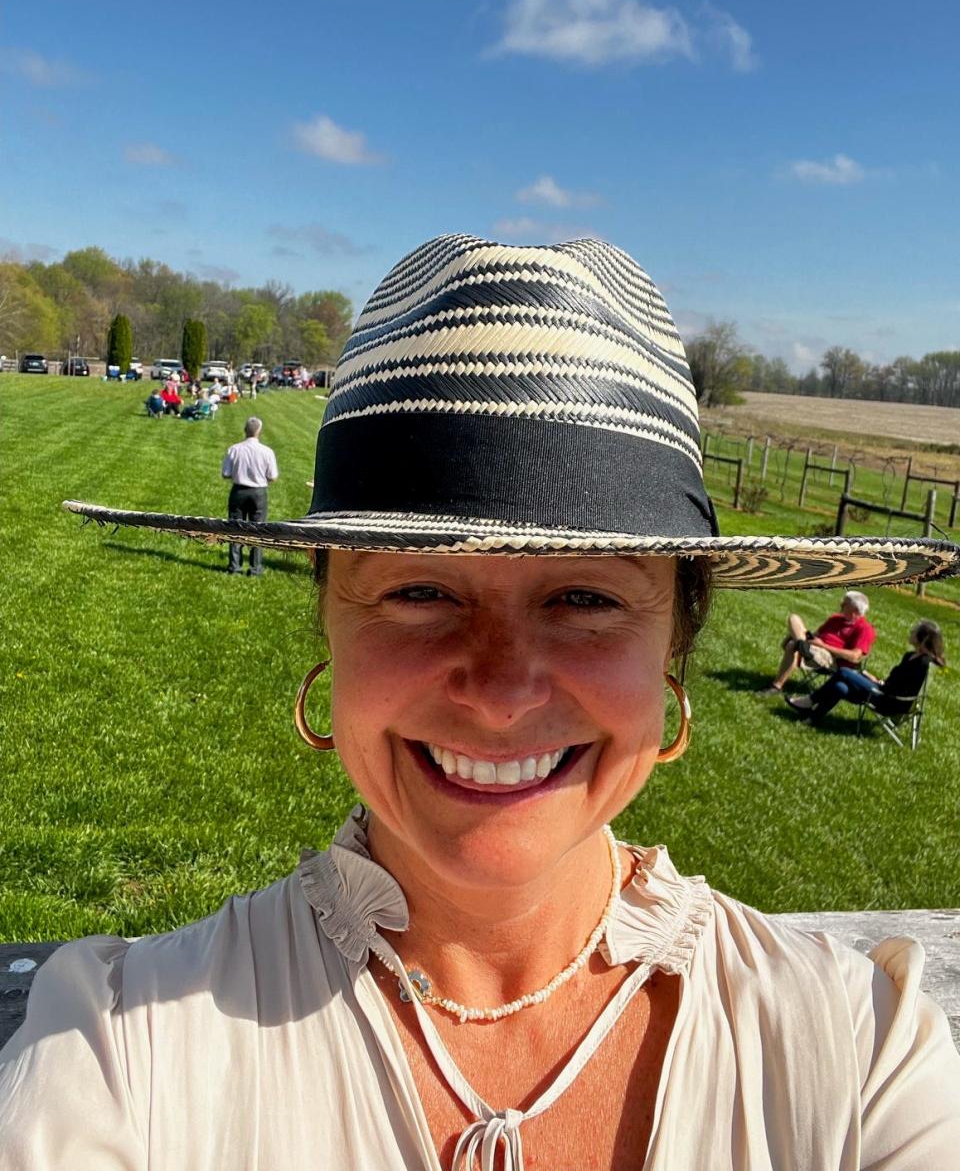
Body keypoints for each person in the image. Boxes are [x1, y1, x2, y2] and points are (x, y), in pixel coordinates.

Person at [16, 236, 960, 1167]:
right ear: (328, 623)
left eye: (585, 598)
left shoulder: (858, 1057)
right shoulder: (115, 1057)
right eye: (421, 592)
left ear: (673, 641)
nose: (503, 693)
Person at [787, 619, 945, 725]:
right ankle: (812, 719)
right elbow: (896, 682)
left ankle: (809, 700)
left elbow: (906, 691)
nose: (910, 634)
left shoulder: (923, 663)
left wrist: (879, 685)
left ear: (922, 639)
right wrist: (877, 681)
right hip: (883, 691)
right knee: (840, 686)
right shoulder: (910, 656)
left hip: (890, 702)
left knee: (844, 672)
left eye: (913, 632)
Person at [755, 589, 876, 696]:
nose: (841, 604)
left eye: (845, 603)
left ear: (854, 610)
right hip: (815, 646)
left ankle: (776, 686)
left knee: (792, 646)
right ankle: (802, 644)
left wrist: (823, 646)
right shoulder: (836, 618)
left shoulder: (865, 629)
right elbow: (818, 634)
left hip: (831, 659)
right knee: (794, 618)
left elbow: (854, 657)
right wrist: (811, 639)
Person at [221, 415, 278, 576]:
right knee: (257, 530)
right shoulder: (267, 451)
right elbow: (273, 476)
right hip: (258, 492)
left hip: (239, 490)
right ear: (259, 431)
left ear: (245, 430)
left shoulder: (234, 449)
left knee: (235, 528)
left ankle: (235, 566)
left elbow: (226, 473)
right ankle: (255, 567)